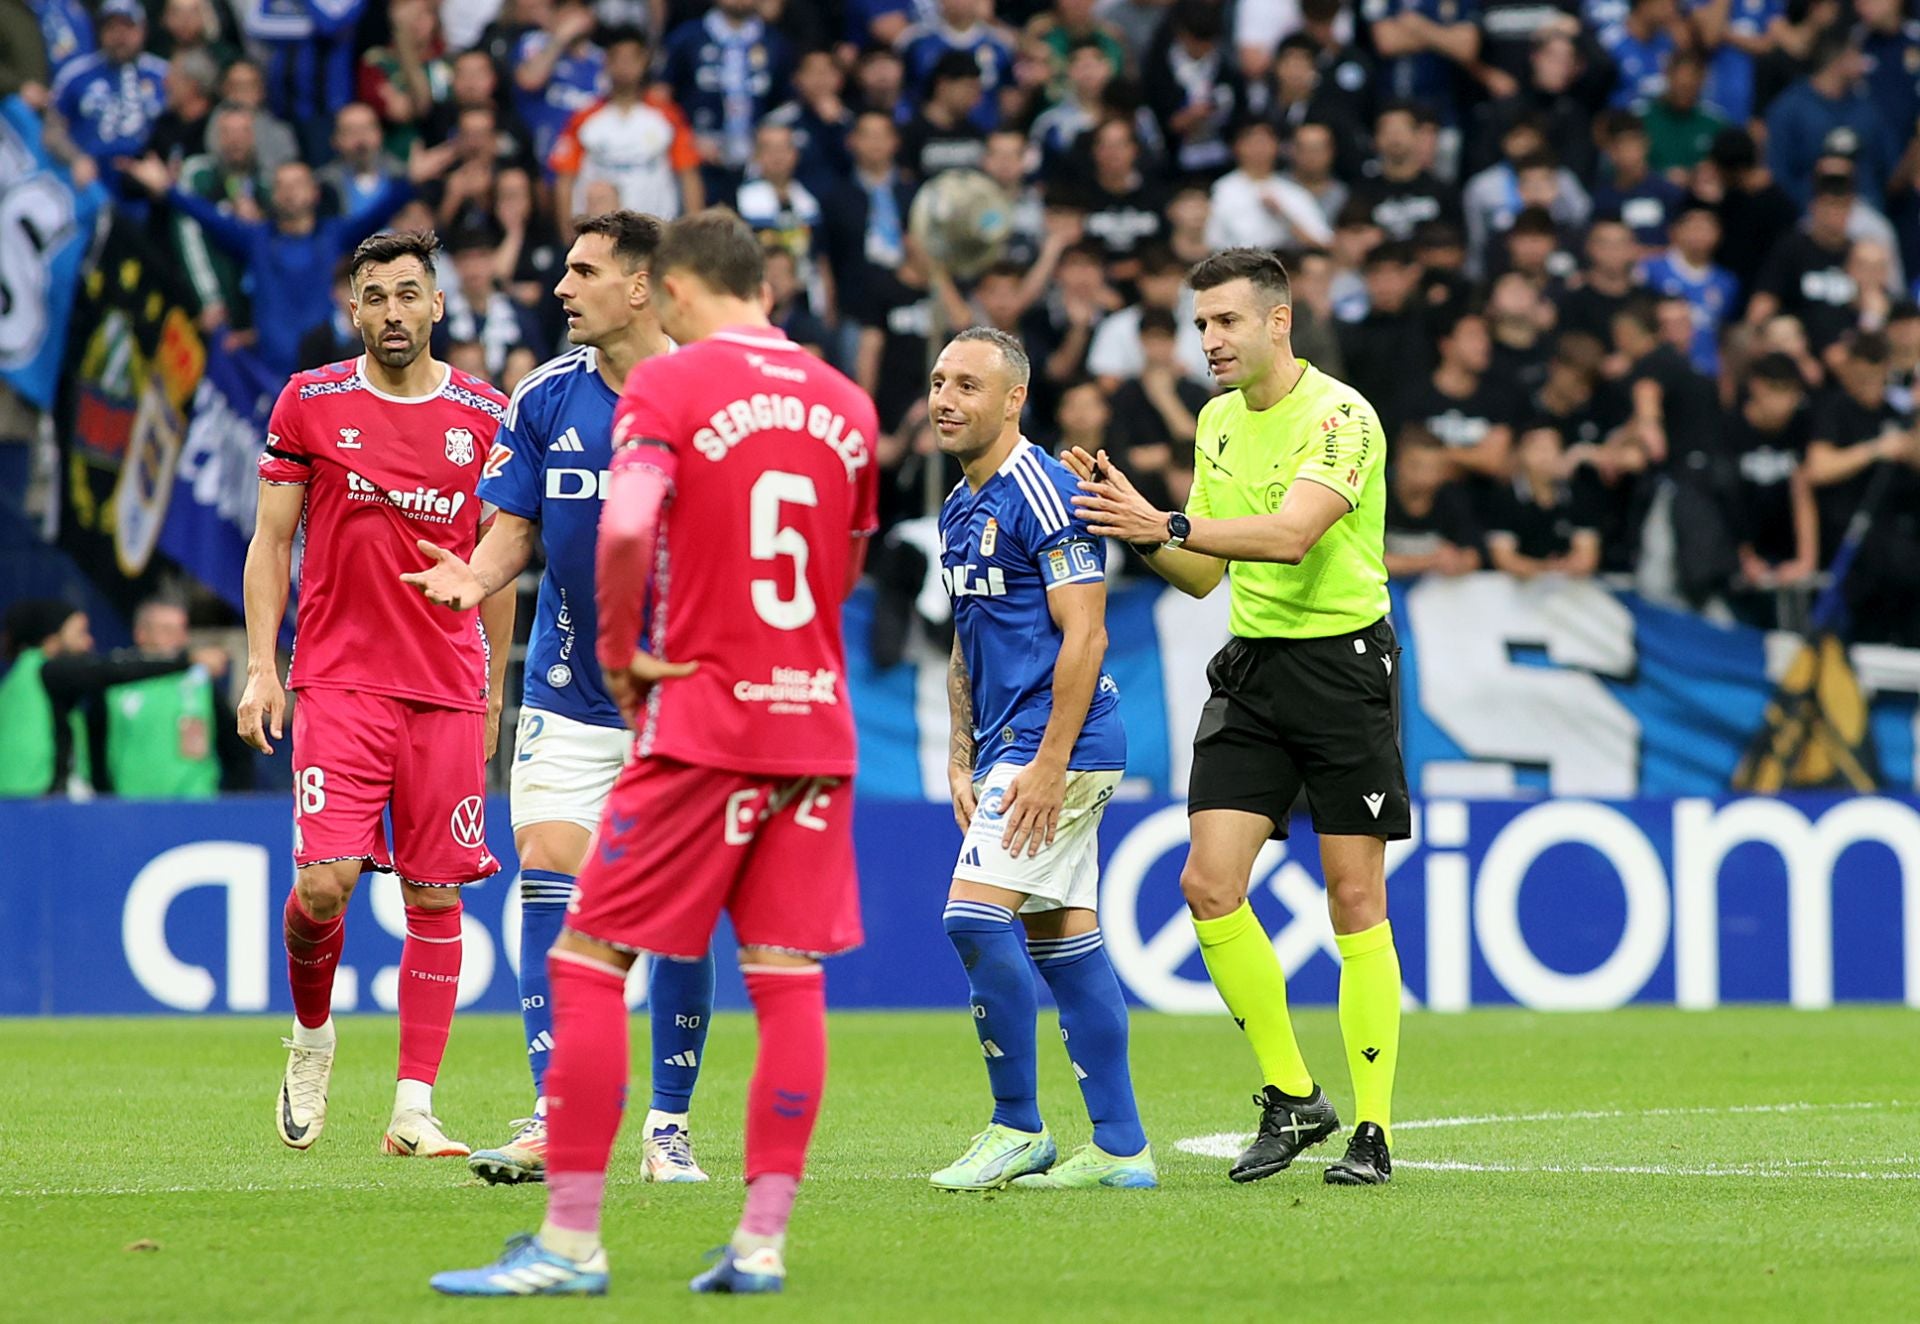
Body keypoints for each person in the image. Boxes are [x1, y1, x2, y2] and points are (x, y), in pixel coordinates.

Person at [431, 210, 879, 1297]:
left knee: (589, 957)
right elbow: (848, 563)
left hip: (696, 723)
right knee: (786, 974)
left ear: (671, 285)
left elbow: (627, 530)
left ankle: (573, 1241)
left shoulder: (672, 391)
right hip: (810, 720)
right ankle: (761, 1242)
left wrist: (632, 656)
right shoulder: (847, 402)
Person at [1067, 248, 1408, 1186]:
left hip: (1344, 668)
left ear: (1277, 322)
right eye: (1201, 324)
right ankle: (1295, 1097)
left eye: (1225, 322)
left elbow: (1293, 539)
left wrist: (1167, 523)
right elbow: (1206, 575)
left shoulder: (1342, 416)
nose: (1209, 341)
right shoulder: (1216, 421)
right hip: (1253, 672)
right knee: (1208, 885)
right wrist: (1130, 524)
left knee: (1354, 898)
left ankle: (1372, 1131)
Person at [402, 211, 717, 1187]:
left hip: (681, 699)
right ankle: (555, 1112)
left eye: (584, 271)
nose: (562, 286)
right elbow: (513, 529)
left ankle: (667, 1123)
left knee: (679, 918)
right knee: (548, 873)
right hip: (569, 690)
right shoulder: (543, 397)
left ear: (641, 286)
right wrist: (474, 575)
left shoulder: (711, 398)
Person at [240, 230, 515, 1159]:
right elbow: (272, 540)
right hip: (341, 678)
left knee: (437, 897)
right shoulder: (310, 402)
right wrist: (259, 665)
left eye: (409, 293)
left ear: (438, 305)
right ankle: (312, 1037)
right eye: (375, 296)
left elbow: (499, 563)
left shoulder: (486, 411)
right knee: (326, 884)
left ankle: (412, 1107)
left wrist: (491, 697)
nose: (393, 311)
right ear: (352, 309)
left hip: (445, 686)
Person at [924, 329, 1151, 1192]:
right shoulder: (958, 505)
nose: (947, 398)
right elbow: (966, 639)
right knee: (1064, 941)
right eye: (940, 381)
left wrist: (1048, 763)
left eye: (969, 385)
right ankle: (1123, 1149)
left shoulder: (1044, 490)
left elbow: (1086, 631)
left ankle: (1016, 1125)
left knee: (973, 919)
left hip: (1061, 744)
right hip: (1010, 743)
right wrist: (959, 753)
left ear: (1014, 399)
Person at [0, 599, 228, 798]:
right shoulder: (50, 671)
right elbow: (112, 671)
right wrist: (187, 660)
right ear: (51, 640)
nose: (89, 642)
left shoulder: (20, 679)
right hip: (33, 802)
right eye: (79, 633)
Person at [104, 596, 249, 798]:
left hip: (193, 806)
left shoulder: (200, 682)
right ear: (141, 634)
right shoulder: (117, 683)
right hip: (131, 806)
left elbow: (236, 749)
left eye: (182, 630)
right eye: (166, 630)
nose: (178, 638)